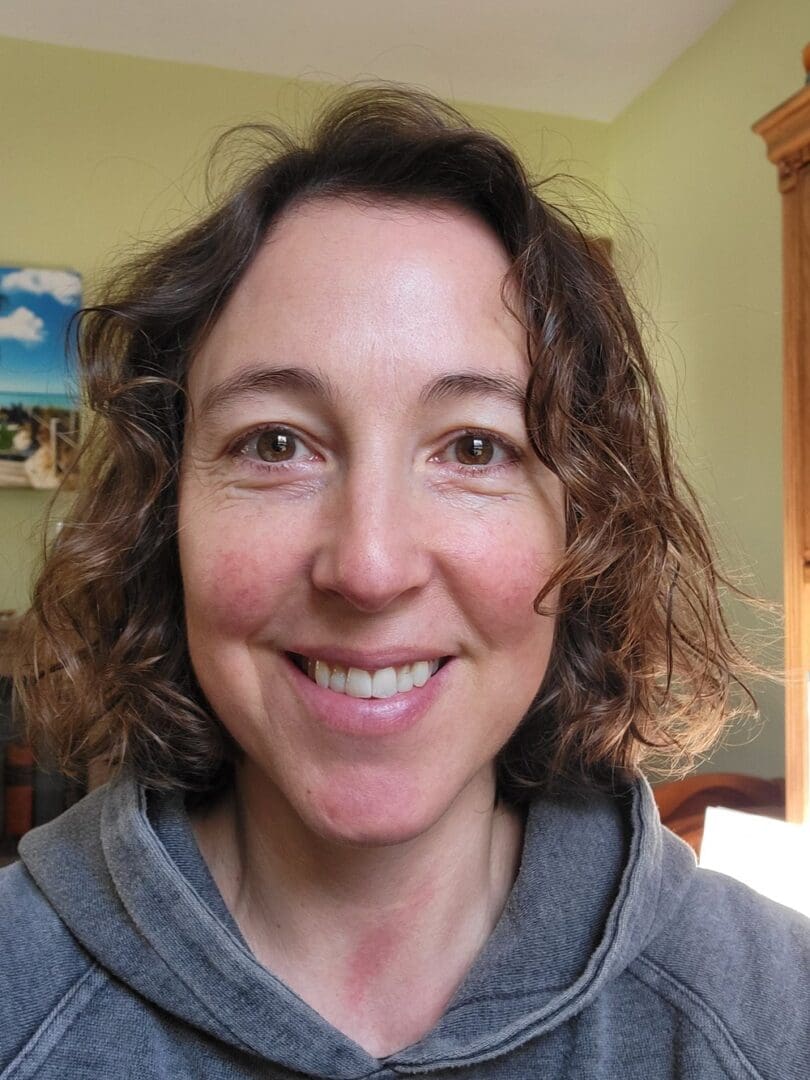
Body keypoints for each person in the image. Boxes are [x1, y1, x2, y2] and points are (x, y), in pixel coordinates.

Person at [1, 86, 808, 1079]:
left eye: (475, 446)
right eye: (277, 443)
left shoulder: (777, 1017)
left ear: (588, 522)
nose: (371, 566)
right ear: (166, 514)